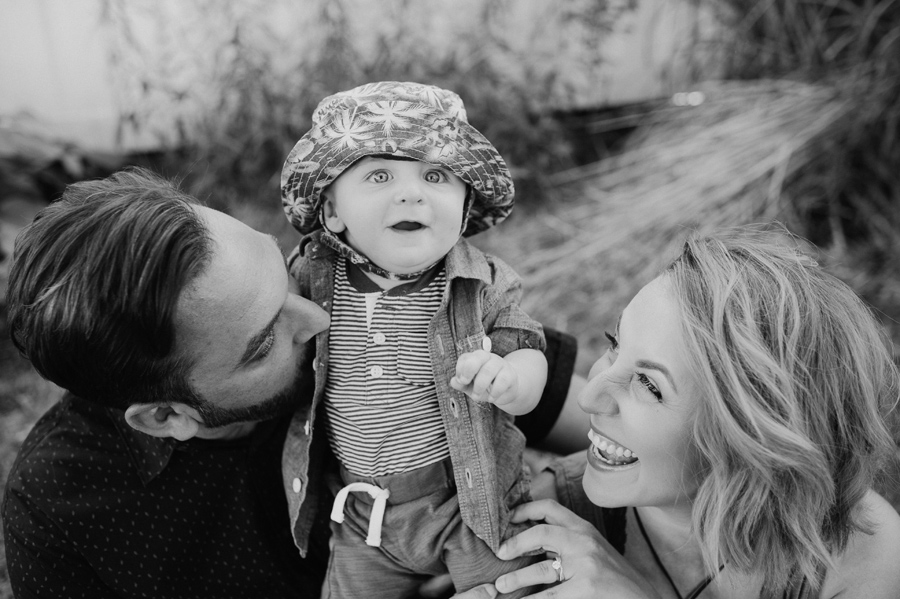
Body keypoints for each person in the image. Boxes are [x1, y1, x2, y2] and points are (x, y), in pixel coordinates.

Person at [1, 168, 583, 599]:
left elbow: (621, 430)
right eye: (261, 343)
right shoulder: (61, 507)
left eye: (280, 269)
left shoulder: (388, 304)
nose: (317, 319)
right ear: (165, 416)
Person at [456, 226, 900, 599]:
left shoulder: (858, 550)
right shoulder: (545, 527)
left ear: (750, 434)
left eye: (649, 384)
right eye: (614, 345)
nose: (590, 397)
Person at [280, 80, 549, 598]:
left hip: (465, 503)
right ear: (332, 212)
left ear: (465, 206)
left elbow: (527, 349)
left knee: (515, 585)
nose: (411, 192)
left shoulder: (483, 283)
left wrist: (512, 380)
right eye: (379, 176)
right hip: (361, 513)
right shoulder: (312, 277)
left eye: (435, 175)